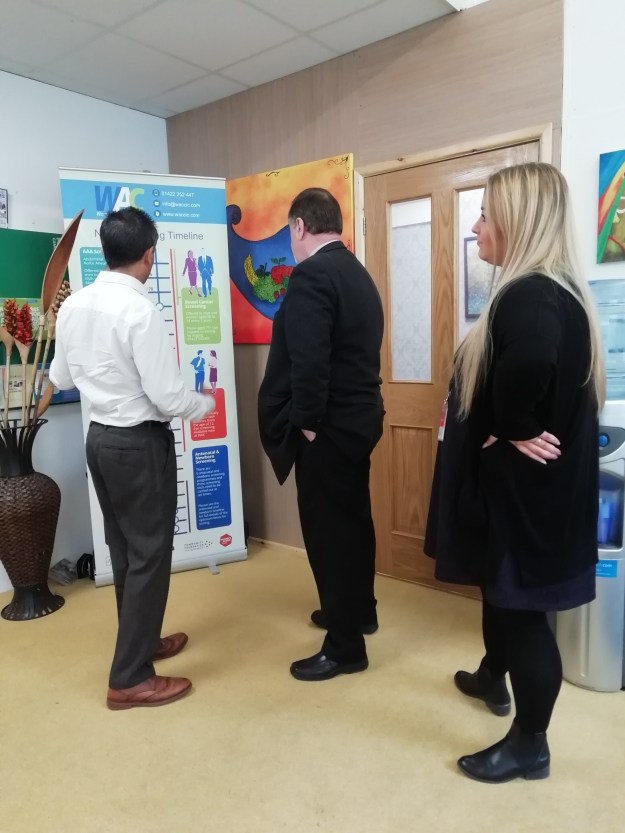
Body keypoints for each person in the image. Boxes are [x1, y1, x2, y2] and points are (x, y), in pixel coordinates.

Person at [424, 162, 605, 783]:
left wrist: (515, 423)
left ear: (517, 220)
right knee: (501, 595)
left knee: (524, 612)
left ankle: (531, 744)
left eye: (484, 215)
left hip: (530, 498)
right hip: (532, 495)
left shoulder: (530, 296)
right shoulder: (555, 291)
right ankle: (490, 675)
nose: (476, 228)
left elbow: (526, 366)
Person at [50, 207, 215, 710]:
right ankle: (130, 677)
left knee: (126, 551)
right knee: (149, 555)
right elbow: (169, 399)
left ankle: (140, 642)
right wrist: (204, 400)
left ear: (105, 251)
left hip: (100, 441)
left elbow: (60, 379)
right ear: (148, 255)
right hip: (138, 445)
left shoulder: (75, 305)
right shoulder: (141, 312)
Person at [258, 187, 384, 682]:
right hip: (357, 425)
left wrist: (306, 424)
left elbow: (309, 361)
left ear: (299, 227)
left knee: (330, 534)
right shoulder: (358, 274)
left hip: (326, 431)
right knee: (354, 524)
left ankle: (345, 644)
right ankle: (358, 611)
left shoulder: (312, 275)